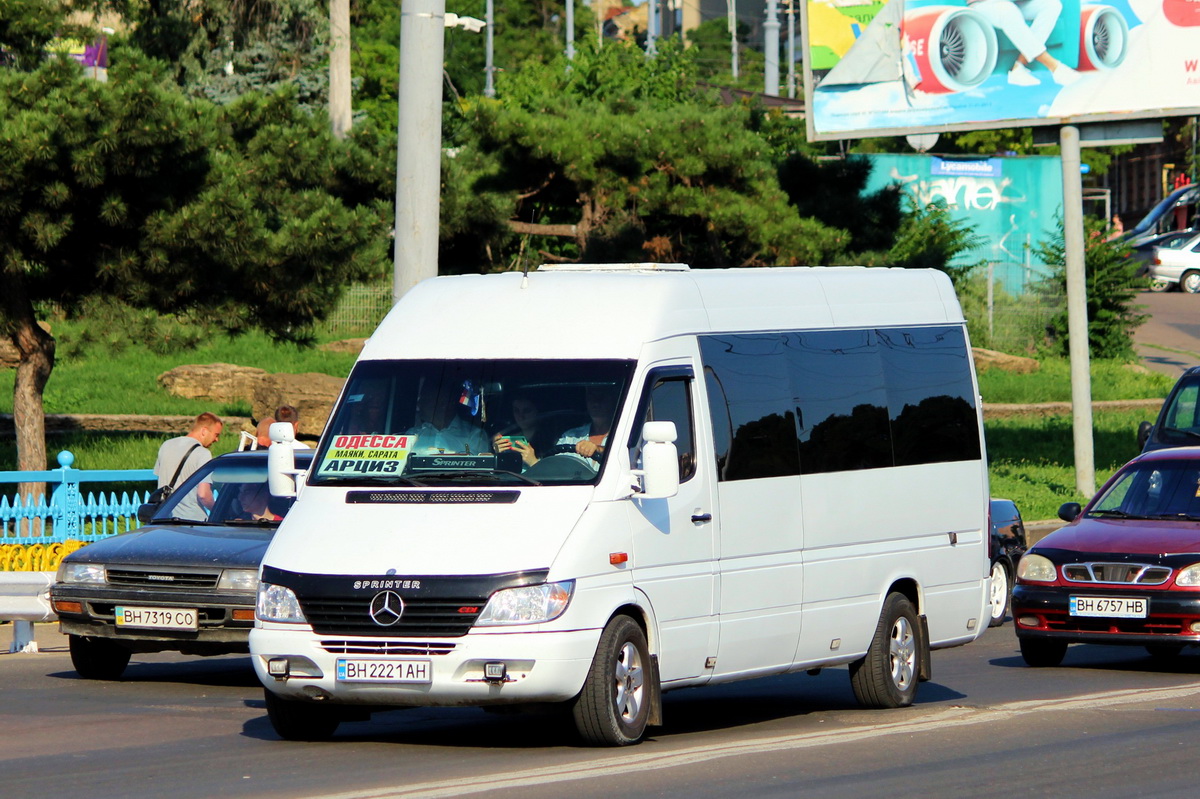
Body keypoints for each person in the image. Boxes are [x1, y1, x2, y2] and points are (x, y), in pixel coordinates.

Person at [969, 0, 1079, 87]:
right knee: (1007, 10)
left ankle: (1019, 66)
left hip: (1015, 2)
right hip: (984, 4)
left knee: (1051, 5)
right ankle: (1055, 67)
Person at [153, 411, 223, 520]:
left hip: (165, 518)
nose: (216, 440)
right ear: (204, 431)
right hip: (192, 520)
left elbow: (160, 480)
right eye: (216, 435)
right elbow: (203, 494)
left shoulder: (166, 445)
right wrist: (219, 510)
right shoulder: (202, 453)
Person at [406, 379, 491, 455]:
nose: (419, 404)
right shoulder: (411, 436)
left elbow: (481, 469)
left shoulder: (474, 435)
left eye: (426, 399)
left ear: (445, 403)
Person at [492, 393, 555, 469]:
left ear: (537, 412)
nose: (521, 416)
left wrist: (533, 462)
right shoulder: (508, 440)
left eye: (527, 411)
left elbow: (554, 474)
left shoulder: (552, 441)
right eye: (516, 410)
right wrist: (497, 455)